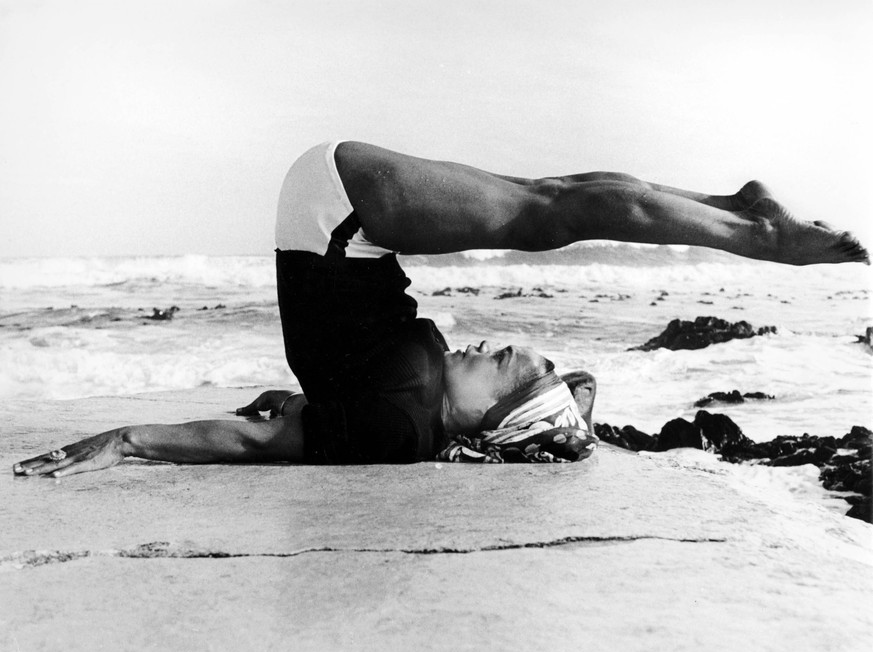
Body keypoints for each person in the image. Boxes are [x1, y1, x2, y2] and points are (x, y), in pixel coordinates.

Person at [13, 141, 868, 478]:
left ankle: (757, 235)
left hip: (340, 213)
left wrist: (129, 438)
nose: (488, 347)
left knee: (549, 213)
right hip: (341, 222)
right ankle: (732, 207)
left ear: (489, 420)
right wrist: (564, 414)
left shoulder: (395, 428)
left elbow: (254, 443)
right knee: (555, 197)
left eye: (500, 366)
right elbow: (575, 385)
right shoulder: (409, 417)